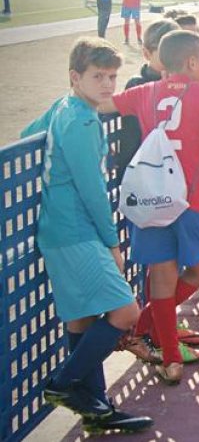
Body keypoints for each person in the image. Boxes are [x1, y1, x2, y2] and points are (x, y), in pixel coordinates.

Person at [21, 38, 153, 433]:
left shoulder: (65, 106)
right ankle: (62, 385)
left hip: (59, 230)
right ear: (75, 77)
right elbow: (91, 186)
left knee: (81, 321)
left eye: (112, 76)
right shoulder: (81, 120)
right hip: (76, 230)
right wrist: (113, 244)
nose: (109, 85)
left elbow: (30, 132)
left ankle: (96, 409)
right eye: (99, 77)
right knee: (126, 311)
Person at [102, 30, 199, 384]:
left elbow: (104, 104)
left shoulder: (145, 92)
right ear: (192, 62)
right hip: (193, 199)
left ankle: (166, 357)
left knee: (162, 277)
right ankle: (149, 333)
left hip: (153, 199)